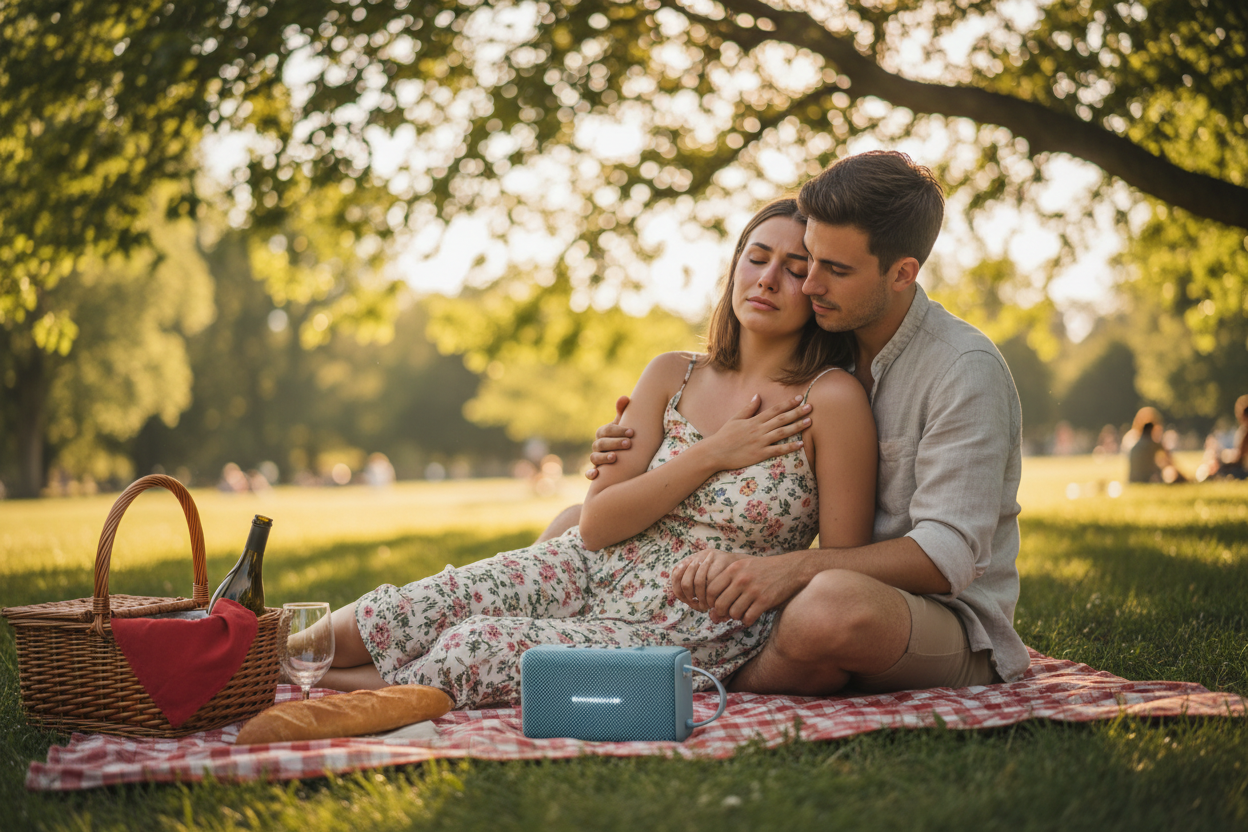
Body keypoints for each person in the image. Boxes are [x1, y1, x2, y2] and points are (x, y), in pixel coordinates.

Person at [320, 198, 878, 707]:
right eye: (756, 259)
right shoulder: (672, 374)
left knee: (477, 648)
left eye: (795, 270)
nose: (769, 279)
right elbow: (596, 525)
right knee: (414, 608)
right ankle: (258, 649)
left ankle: (296, 681)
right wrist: (714, 453)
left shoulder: (830, 399)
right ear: (735, 267)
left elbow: (841, 563)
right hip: (588, 566)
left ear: (816, 291)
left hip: (690, 621)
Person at [550, 150, 1029, 694]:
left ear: (902, 273)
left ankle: (717, 681)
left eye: (833, 270)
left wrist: (793, 570)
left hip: (939, 616)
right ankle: (574, 657)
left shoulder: (962, 370)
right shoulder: (827, 341)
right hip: (819, 577)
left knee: (827, 606)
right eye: (811, 260)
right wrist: (640, 444)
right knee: (574, 522)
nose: (807, 284)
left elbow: (949, 556)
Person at [1124, 407, 1187, 484]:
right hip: (1146, 479)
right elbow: (1168, 459)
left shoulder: (1136, 442)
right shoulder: (1153, 444)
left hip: (1132, 479)